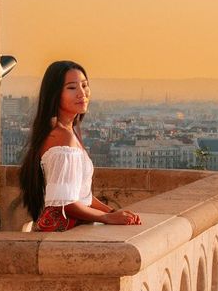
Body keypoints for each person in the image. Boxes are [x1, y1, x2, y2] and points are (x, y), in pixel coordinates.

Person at [18, 60, 141, 231]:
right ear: (55, 94)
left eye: (84, 85)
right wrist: (107, 217)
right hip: (65, 236)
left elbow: (82, 195)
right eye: (71, 87)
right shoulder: (62, 137)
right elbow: (65, 203)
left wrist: (112, 211)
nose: (81, 93)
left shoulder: (68, 132)